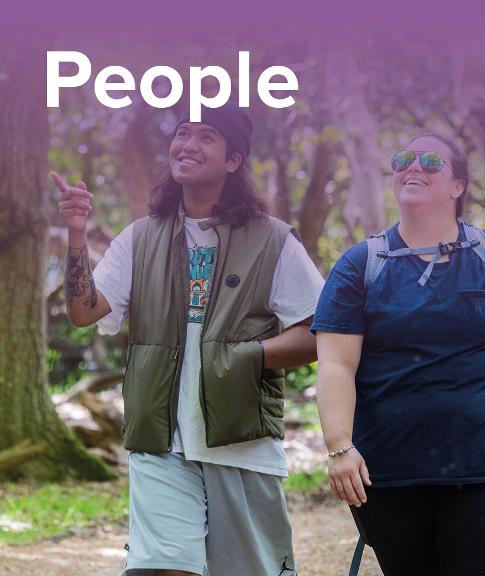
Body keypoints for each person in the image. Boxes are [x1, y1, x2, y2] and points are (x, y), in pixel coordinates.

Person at [52, 102, 324, 576]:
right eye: (182, 134)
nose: (187, 145)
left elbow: (317, 330)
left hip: (241, 441)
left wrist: (248, 357)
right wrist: (77, 236)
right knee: (163, 568)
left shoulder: (273, 240)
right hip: (160, 439)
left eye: (205, 137)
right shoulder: (140, 238)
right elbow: (84, 311)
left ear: (234, 161)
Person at [311, 133, 485, 576]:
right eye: (403, 159)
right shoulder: (360, 264)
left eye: (431, 161)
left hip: (483, 466)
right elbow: (336, 363)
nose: (413, 167)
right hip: (389, 470)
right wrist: (339, 448)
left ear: (458, 186)